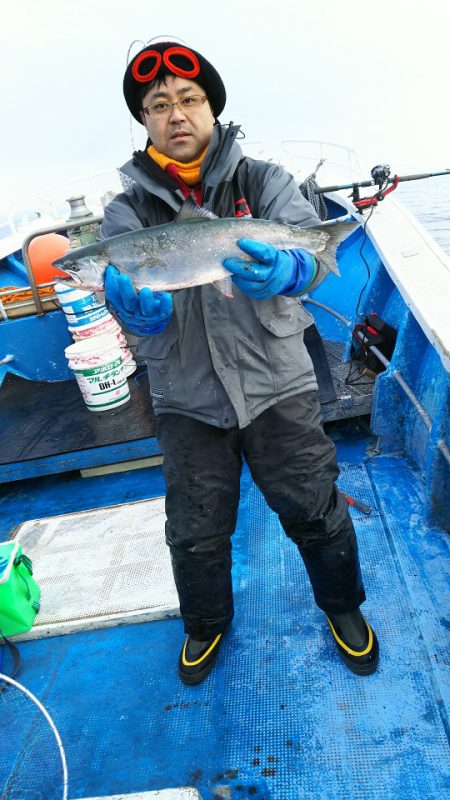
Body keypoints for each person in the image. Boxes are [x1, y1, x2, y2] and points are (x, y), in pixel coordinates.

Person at [102, 41, 379, 685]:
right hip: (185, 395)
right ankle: (205, 624)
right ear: (144, 122)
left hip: (275, 382)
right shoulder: (127, 211)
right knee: (195, 528)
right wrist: (133, 315)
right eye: (158, 104)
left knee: (313, 506)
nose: (176, 114)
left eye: (189, 99)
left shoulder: (263, 180)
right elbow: (125, 287)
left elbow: (309, 252)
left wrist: (295, 268)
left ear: (212, 108)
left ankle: (344, 609)